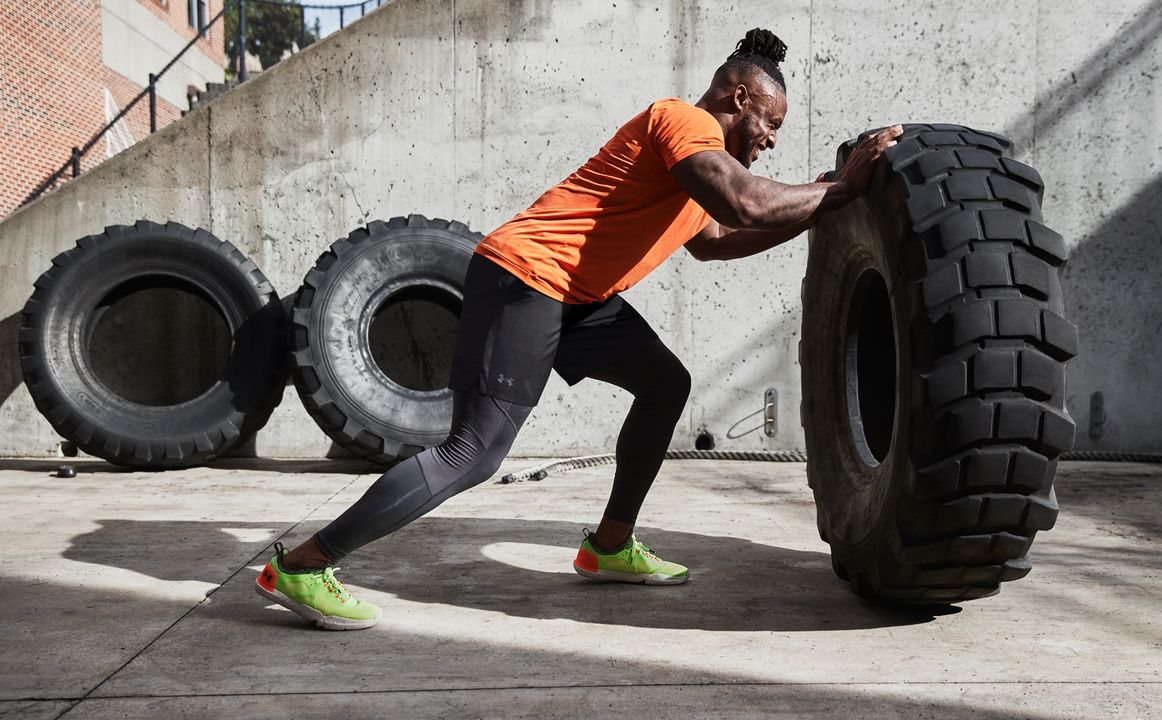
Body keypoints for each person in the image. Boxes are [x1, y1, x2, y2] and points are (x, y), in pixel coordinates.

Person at [254, 27, 903, 630]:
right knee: (472, 454)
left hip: (581, 295)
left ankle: (609, 546)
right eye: (771, 122)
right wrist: (842, 190)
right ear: (739, 97)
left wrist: (818, 208)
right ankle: (303, 564)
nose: (772, 138)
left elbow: (718, 237)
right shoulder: (685, 124)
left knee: (663, 384)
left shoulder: (698, 175)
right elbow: (747, 201)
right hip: (528, 277)